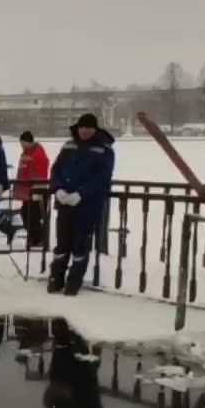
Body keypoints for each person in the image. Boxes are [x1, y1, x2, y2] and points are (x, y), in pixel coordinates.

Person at [48, 113, 115, 296]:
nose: (85, 131)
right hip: (64, 203)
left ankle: (73, 283)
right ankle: (56, 279)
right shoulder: (69, 145)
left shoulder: (104, 149)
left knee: (80, 245)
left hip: (87, 206)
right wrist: (58, 188)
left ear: (95, 129)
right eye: (82, 127)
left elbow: (102, 179)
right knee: (61, 244)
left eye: (88, 127)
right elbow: (56, 169)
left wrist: (81, 194)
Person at [43, 319, 105, 408]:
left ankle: (69, 331)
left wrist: (55, 394)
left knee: (70, 354)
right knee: (74, 355)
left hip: (73, 383)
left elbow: (50, 404)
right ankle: (74, 329)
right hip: (78, 385)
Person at [14, 131, 51, 249]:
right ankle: (34, 238)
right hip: (27, 191)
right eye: (21, 143)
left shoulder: (38, 154)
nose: (22, 146)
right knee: (26, 214)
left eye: (23, 143)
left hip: (36, 191)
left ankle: (39, 238)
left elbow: (41, 172)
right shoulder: (25, 153)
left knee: (33, 216)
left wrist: (38, 190)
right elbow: (22, 171)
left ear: (29, 142)